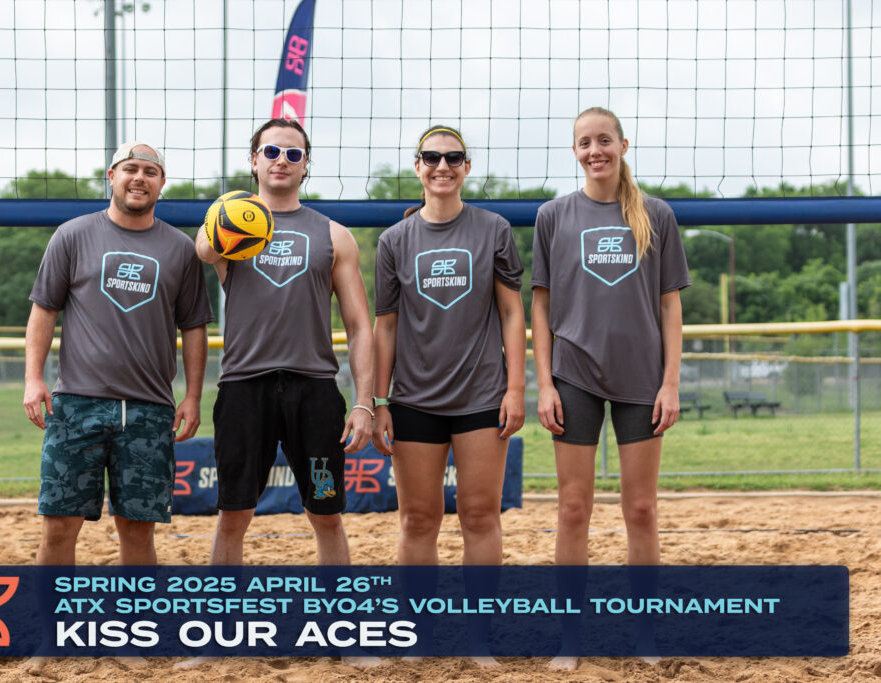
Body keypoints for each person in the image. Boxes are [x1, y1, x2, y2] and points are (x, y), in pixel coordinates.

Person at [20, 142, 213, 673]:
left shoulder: (179, 249)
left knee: (137, 529)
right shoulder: (73, 235)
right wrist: (33, 379)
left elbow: (194, 328)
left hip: (148, 410)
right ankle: (53, 636)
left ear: (161, 183)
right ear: (111, 175)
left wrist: (193, 395)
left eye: (151, 171)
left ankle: (134, 634)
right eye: (131, 168)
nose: (140, 178)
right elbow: (44, 310)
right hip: (77, 405)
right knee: (58, 526)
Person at [531, 107, 690, 670]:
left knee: (641, 508)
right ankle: (570, 637)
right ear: (575, 151)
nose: (595, 150)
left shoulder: (656, 214)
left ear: (623, 144)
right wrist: (543, 383)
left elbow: (670, 305)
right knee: (574, 508)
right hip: (574, 373)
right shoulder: (553, 215)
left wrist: (670, 382)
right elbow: (541, 303)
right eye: (584, 142)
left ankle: (644, 633)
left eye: (604, 140)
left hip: (642, 377)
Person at [194, 118, 374, 567]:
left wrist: (364, 402)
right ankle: (223, 610)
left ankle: (336, 609)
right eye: (271, 151)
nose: (282, 161)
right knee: (233, 516)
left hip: (313, 390)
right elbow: (204, 250)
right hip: (243, 387)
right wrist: (235, 213)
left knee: (326, 514)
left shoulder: (334, 234)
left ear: (306, 165)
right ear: (254, 161)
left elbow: (359, 326)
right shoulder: (230, 221)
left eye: (294, 154)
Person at [371, 125, 526, 647]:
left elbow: (512, 312)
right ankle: (419, 633)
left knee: (479, 516)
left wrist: (516, 388)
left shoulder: (493, 228)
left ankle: (479, 637)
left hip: (482, 396)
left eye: (453, 158)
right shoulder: (394, 241)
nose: (443, 166)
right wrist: (378, 401)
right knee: (418, 520)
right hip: (414, 399)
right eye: (432, 158)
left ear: (466, 167)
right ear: (417, 166)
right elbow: (385, 326)